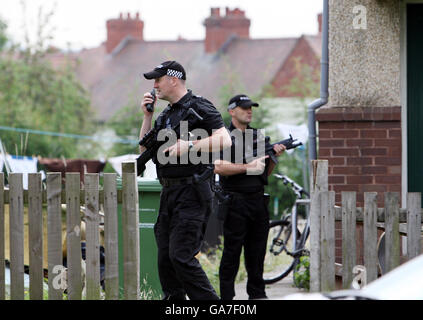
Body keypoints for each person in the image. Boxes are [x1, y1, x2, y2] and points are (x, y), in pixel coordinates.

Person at [139, 60, 232, 300]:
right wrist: (147, 117)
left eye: (158, 79)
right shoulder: (166, 115)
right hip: (168, 193)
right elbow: (143, 151)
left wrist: (189, 145)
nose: (155, 85)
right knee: (166, 260)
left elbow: (225, 140)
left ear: (173, 79)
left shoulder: (200, 106)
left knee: (181, 256)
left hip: (193, 192)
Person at [214, 94, 286, 300]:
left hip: (257, 200)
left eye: (251, 107)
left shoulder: (258, 136)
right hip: (235, 202)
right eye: (244, 107)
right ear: (232, 111)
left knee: (257, 254)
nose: (249, 111)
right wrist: (248, 166)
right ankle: (226, 299)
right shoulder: (223, 136)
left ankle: (258, 295)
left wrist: (273, 157)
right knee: (231, 254)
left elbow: (265, 172)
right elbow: (218, 167)